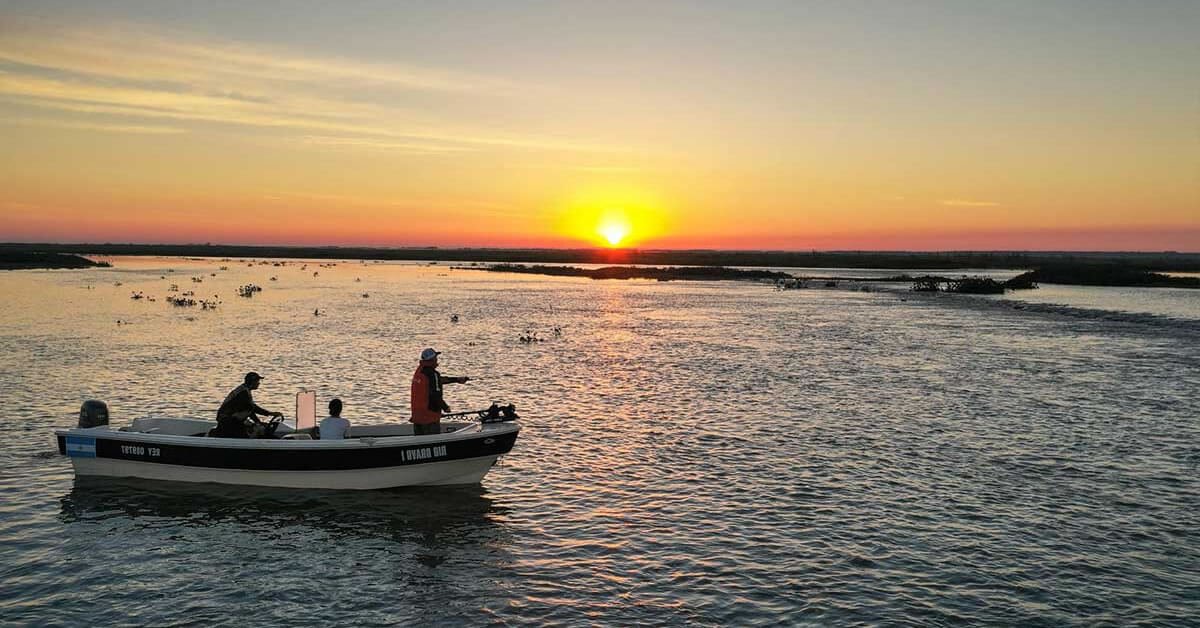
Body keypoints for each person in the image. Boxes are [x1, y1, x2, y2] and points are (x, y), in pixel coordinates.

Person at [410, 348, 469, 436]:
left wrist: (456, 379)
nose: (437, 360)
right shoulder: (433, 374)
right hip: (429, 417)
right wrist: (445, 407)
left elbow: (437, 381)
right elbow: (435, 395)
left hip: (417, 417)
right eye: (436, 358)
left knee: (421, 442)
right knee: (431, 442)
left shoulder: (419, 372)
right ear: (432, 360)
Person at [211, 371, 283, 438]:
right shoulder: (243, 393)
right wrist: (271, 413)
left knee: (255, 428)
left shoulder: (245, 390)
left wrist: (258, 422)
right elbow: (253, 408)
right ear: (252, 382)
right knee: (249, 433)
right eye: (257, 381)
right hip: (227, 420)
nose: (259, 383)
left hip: (231, 419)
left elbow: (249, 410)